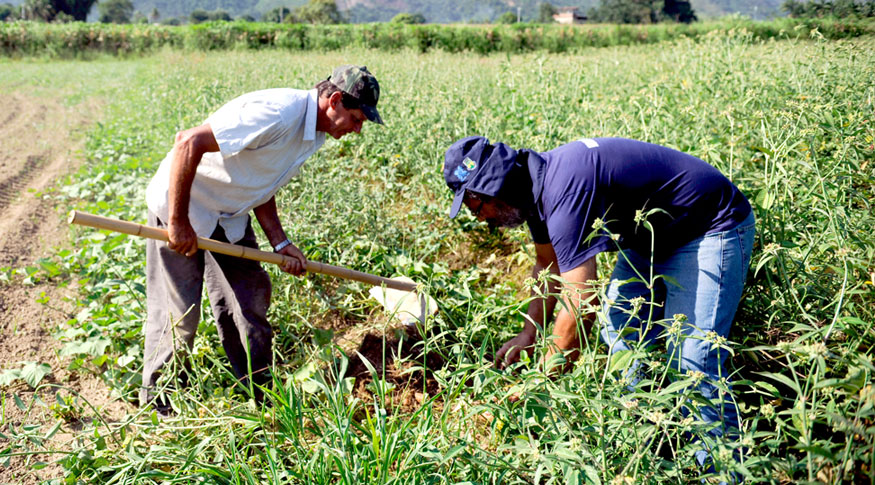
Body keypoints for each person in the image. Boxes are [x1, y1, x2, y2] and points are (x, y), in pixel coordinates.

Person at [443, 135, 755, 468]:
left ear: (494, 188)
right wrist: (528, 334)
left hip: (709, 226)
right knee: (621, 332)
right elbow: (548, 266)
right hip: (646, 237)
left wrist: (541, 380)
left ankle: (722, 470)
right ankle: (648, 444)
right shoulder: (531, 189)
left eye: (474, 205)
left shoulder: (564, 189)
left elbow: (581, 301)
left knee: (693, 360)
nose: (477, 217)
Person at [141, 65, 383, 414]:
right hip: (183, 205)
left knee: (249, 300)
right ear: (334, 101)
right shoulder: (278, 113)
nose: (358, 129)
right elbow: (188, 141)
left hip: (229, 214)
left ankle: (260, 396)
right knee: (180, 316)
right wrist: (178, 222)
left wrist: (281, 243)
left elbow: (261, 183)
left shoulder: (313, 133)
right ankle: (159, 407)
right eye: (357, 119)